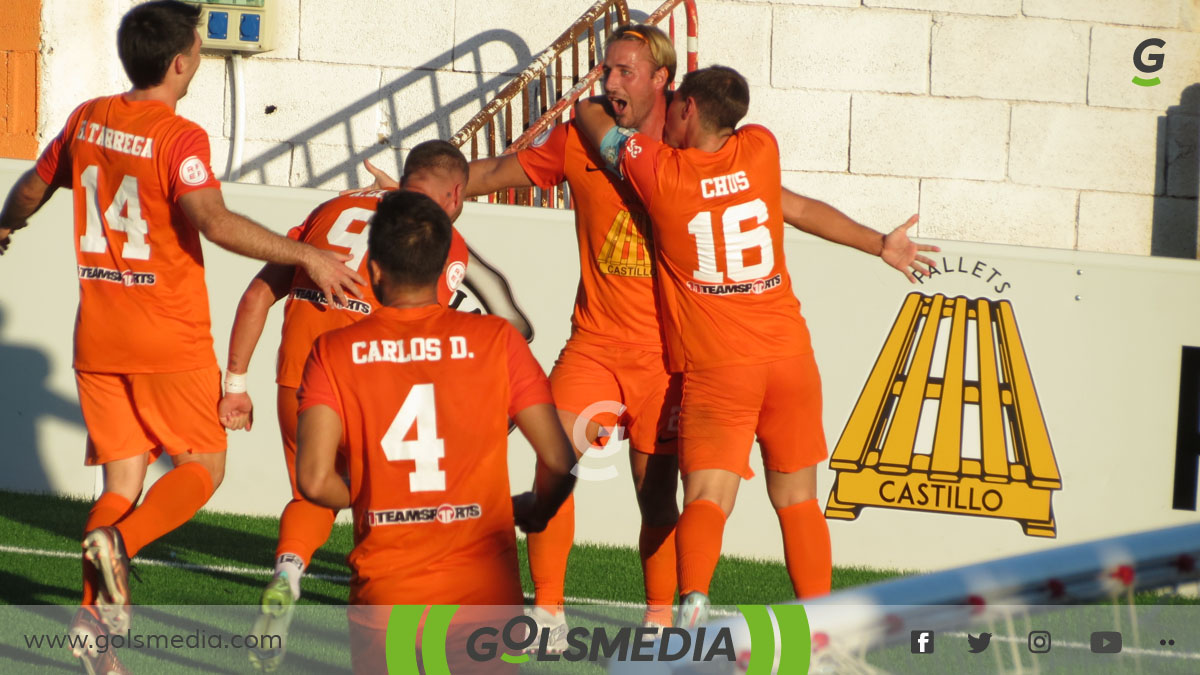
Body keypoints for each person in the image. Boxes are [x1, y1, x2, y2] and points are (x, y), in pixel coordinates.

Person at [0, 2, 361, 671]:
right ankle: (122, 546)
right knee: (204, 466)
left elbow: (33, 185)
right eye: (196, 50)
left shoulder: (86, 119)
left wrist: (3, 226)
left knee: (120, 481)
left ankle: (92, 630)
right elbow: (214, 221)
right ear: (179, 63)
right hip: (167, 337)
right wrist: (307, 254)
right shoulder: (178, 136)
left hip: (98, 336)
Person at [571, 65, 939, 625]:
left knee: (707, 497)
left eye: (673, 103)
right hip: (790, 358)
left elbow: (593, 122)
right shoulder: (760, 150)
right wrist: (878, 244)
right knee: (798, 501)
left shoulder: (662, 174)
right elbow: (796, 207)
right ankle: (821, 639)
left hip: (723, 367)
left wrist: (604, 95)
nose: (665, 111)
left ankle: (692, 602)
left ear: (688, 110)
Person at [215, 140, 474, 671]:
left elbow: (257, 295)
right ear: (454, 196)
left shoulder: (332, 208)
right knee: (397, 505)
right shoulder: (440, 239)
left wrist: (236, 383)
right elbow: (424, 332)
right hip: (368, 380)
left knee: (313, 493)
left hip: (297, 380)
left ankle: (288, 572)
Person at [294, 189, 576, 673]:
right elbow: (557, 459)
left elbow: (314, 481)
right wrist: (536, 509)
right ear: (445, 267)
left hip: (388, 603)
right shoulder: (496, 340)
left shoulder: (333, 351)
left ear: (374, 270)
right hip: (483, 602)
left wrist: (376, 495)